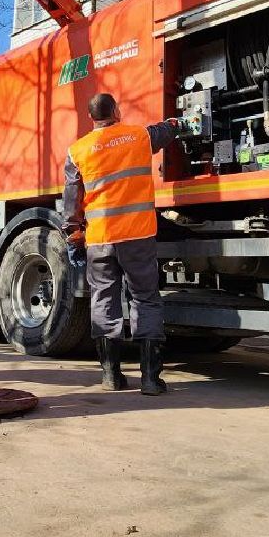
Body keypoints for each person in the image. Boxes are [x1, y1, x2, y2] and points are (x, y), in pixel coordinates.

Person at [62, 93, 183, 395]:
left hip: (100, 238)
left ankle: (111, 377)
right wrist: (175, 123)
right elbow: (165, 131)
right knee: (145, 298)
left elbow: (71, 199)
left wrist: (73, 232)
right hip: (137, 234)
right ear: (116, 111)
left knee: (103, 300)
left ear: (91, 117)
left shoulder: (78, 150)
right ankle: (151, 380)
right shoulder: (138, 136)